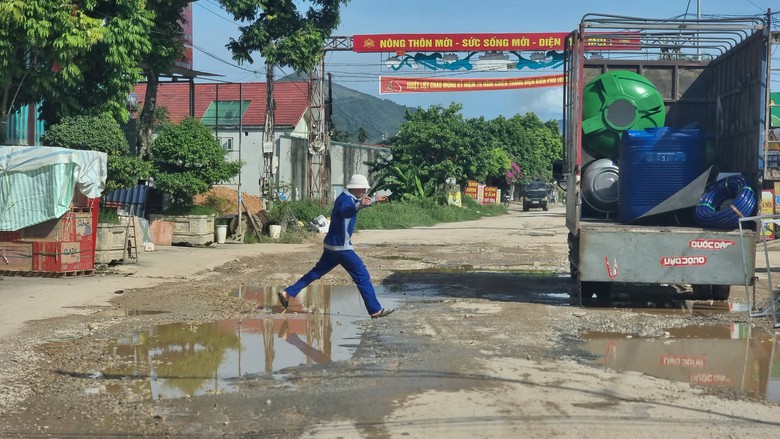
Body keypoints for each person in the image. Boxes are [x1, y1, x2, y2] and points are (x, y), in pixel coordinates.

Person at [278, 174, 394, 318]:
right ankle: (375, 310)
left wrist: (374, 200)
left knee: (316, 272)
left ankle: (287, 293)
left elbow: (357, 204)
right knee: (362, 276)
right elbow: (347, 210)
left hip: (331, 246)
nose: (364, 190)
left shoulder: (347, 198)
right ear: (355, 188)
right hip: (342, 248)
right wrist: (360, 205)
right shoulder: (346, 201)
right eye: (363, 188)